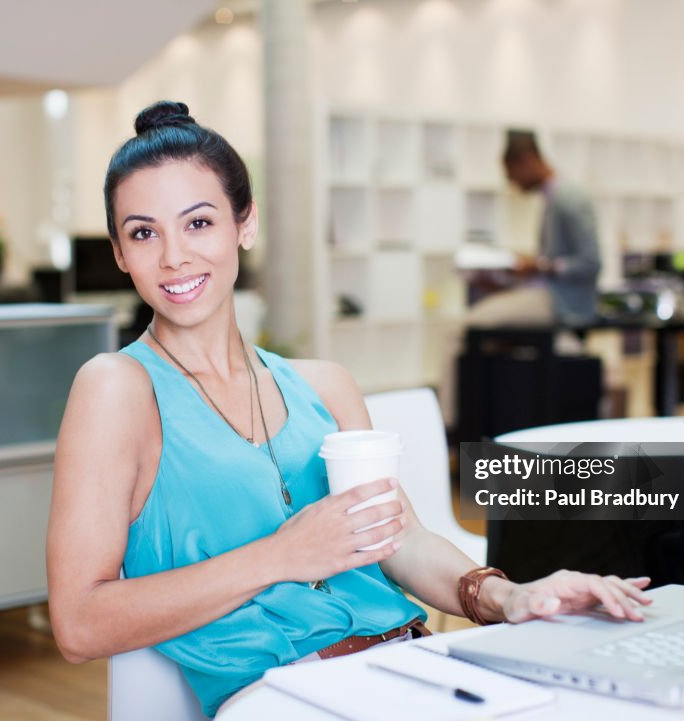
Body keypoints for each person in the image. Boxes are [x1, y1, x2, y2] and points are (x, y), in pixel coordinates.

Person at [46, 101, 650, 718]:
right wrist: (282, 554)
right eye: (143, 232)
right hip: (285, 694)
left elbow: (399, 539)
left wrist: (509, 597)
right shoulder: (116, 387)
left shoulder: (325, 385)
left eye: (198, 223)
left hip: (417, 663)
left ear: (244, 225)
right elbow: (79, 624)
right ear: (121, 252)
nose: (173, 257)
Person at [438, 130, 602, 428]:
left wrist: (538, 265)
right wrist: (507, 280)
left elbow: (590, 263)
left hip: (561, 303)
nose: (512, 183)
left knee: (461, 329)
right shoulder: (555, 197)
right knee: (478, 329)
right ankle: (481, 421)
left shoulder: (569, 197)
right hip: (547, 295)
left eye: (512, 174)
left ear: (526, 161)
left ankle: (450, 426)